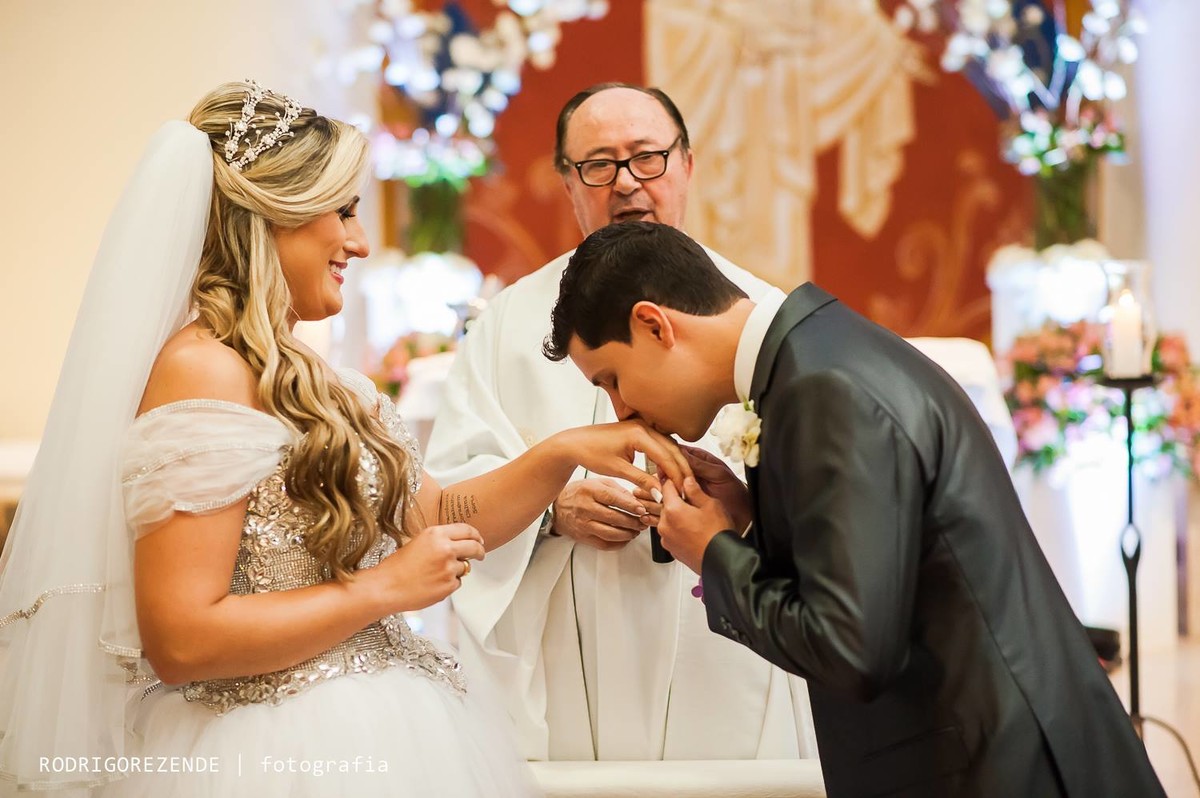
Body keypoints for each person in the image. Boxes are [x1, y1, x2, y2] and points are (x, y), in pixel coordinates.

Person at [0, 82, 687, 797]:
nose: (359, 243)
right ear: (275, 217)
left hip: (391, 730)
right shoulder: (202, 369)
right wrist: (382, 589)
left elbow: (439, 517)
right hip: (276, 752)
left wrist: (564, 452)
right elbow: (181, 639)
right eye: (345, 212)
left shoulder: (325, 379)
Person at [544, 220, 1167, 798]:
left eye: (612, 379)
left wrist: (714, 554)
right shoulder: (819, 355)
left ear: (654, 325)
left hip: (1001, 767)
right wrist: (750, 522)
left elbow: (851, 650)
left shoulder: (823, 389)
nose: (621, 410)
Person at [424, 83, 819, 761]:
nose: (627, 182)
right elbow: (448, 500)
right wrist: (551, 510)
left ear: (687, 164)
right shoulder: (508, 325)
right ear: (567, 182)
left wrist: (736, 513)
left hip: (719, 651)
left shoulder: (757, 317)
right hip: (565, 649)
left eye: (647, 157)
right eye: (598, 165)